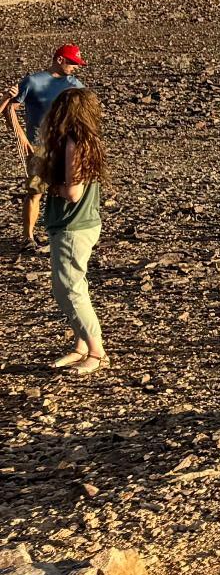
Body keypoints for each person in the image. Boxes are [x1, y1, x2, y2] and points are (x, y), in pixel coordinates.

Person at [12, 87, 108, 375]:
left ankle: (97, 352)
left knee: (69, 289)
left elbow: (73, 192)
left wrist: (46, 181)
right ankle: (81, 346)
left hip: (72, 226)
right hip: (84, 223)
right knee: (73, 285)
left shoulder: (73, 144)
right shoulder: (88, 141)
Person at [3, 46, 86, 250]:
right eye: (73, 63)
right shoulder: (33, 81)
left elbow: (86, 108)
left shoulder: (74, 85)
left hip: (64, 147)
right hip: (38, 146)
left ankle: (61, 230)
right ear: (60, 59)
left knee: (66, 189)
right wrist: (20, 134)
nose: (76, 67)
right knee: (35, 190)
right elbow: (10, 107)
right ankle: (28, 236)